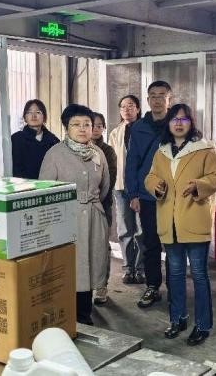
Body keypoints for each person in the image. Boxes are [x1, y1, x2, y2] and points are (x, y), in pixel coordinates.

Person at [145, 104, 216, 346]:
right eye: (174, 119)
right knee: (175, 273)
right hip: (169, 222)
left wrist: (199, 185)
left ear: (191, 123)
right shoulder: (162, 152)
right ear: (168, 123)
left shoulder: (204, 149)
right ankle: (177, 318)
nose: (179, 124)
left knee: (199, 275)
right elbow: (150, 176)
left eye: (184, 119)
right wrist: (155, 185)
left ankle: (203, 324)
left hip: (194, 219)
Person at [39, 104, 110, 325]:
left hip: (93, 217)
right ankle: (67, 316)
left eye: (87, 124)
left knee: (90, 266)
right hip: (66, 220)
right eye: (76, 124)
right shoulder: (54, 154)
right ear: (66, 127)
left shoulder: (98, 153)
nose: (82, 129)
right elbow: (45, 191)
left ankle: (84, 315)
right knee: (70, 268)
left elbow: (105, 187)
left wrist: (91, 203)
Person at [125, 81, 172, 308]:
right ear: (147, 100)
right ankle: (153, 286)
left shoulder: (177, 124)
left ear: (169, 99)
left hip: (172, 196)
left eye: (162, 95)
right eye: (153, 95)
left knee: (173, 244)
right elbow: (131, 162)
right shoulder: (138, 128)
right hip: (146, 195)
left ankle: (175, 287)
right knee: (151, 243)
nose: (157, 100)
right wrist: (133, 194)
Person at [108, 95, 145, 285]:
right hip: (121, 187)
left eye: (131, 105)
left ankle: (140, 269)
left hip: (142, 188)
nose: (127, 109)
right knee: (124, 229)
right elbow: (112, 161)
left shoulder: (145, 130)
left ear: (138, 108)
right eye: (123, 106)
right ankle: (128, 267)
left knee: (141, 229)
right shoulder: (115, 133)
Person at [91, 112, 117, 305]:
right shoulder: (77, 149)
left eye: (100, 125)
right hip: (81, 205)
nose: (95, 129)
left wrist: (97, 200)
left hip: (102, 203)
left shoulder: (107, 151)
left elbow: (110, 179)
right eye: (92, 125)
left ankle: (101, 286)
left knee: (102, 244)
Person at [11, 99, 59, 179]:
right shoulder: (16, 139)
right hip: (23, 185)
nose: (33, 116)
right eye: (29, 112)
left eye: (38, 112)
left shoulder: (53, 140)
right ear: (25, 117)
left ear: (44, 117)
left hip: (48, 184)